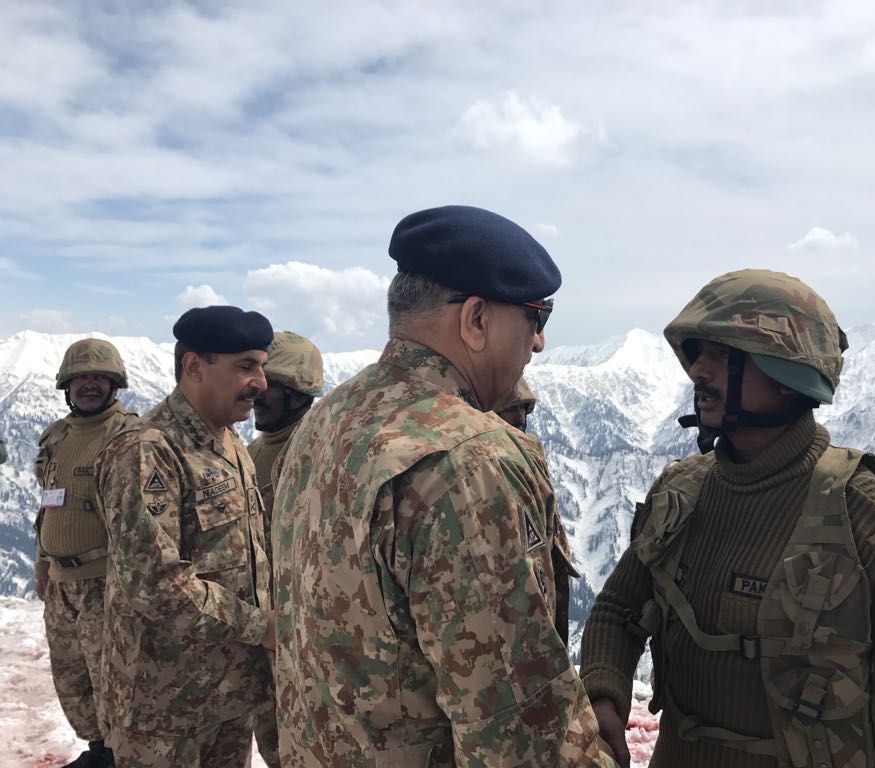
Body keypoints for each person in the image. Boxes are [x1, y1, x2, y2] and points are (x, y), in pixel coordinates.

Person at [580, 269, 875, 768]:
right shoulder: (678, 494)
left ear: (788, 379)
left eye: (723, 354)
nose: (697, 371)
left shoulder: (870, 522)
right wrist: (605, 696)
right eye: (696, 352)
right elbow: (619, 609)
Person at [272, 205, 615, 766]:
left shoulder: (327, 418)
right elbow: (519, 736)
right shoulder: (468, 460)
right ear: (475, 319)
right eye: (535, 317)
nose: (540, 342)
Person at [95, 306, 275, 768]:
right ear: (194, 366)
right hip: (163, 709)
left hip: (228, 694)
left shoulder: (230, 442)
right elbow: (154, 583)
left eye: (262, 365)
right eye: (244, 366)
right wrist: (261, 627)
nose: (261, 382)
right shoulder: (149, 448)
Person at [34, 338, 138, 768]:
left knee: (113, 678)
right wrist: (43, 562)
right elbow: (48, 499)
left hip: (103, 581)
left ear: (114, 384)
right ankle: (99, 750)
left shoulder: (129, 435)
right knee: (73, 678)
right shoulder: (56, 435)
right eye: (81, 378)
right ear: (66, 385)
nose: (90, 385)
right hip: (60, 582)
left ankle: (122, 754)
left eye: (99, 377)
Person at [247, 330, 324, 768]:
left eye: (269, 383)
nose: (257, 390)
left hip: (306, 640)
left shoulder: (319, 451)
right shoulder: (253, 453)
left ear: (298, 393)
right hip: (264, 629)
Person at [493, 376, 580, 648]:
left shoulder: (529, 456)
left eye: (525, 408)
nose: (520, 417)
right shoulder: (488, 466)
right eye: (510, 407)